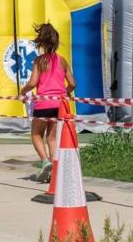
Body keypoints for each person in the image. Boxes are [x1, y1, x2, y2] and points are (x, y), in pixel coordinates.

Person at [20, 23, 76, 182]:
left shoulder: (39, 61)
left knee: (36, 134)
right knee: (52, 138)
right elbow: (73, 83)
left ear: (42, 43)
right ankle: (55, 171)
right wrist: (64, 93)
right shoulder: (63, 61)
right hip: (58, 105)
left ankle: (45, 162)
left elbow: (32, 83)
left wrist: (23, 92)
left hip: (43, 104)